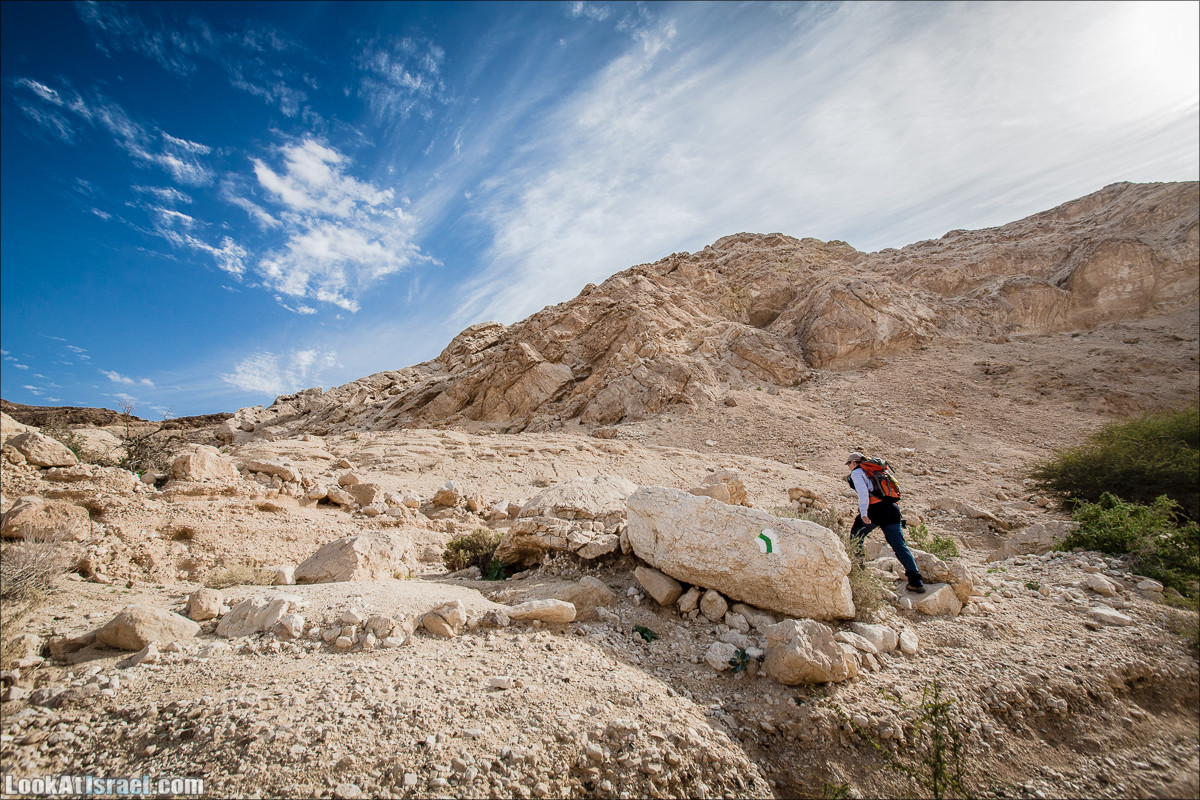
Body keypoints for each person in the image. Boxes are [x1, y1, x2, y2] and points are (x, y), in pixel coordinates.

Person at [845, 451, 925, 593]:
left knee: (856, 537)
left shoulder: (857, 473)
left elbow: (863, 494)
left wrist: (864, 513)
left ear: (854, 462)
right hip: (892, 510)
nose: (848, 467)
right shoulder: (875, 471)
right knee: (899, 545)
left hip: (875, 509)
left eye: (849, 463)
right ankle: (916, 581)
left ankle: (858, 572)